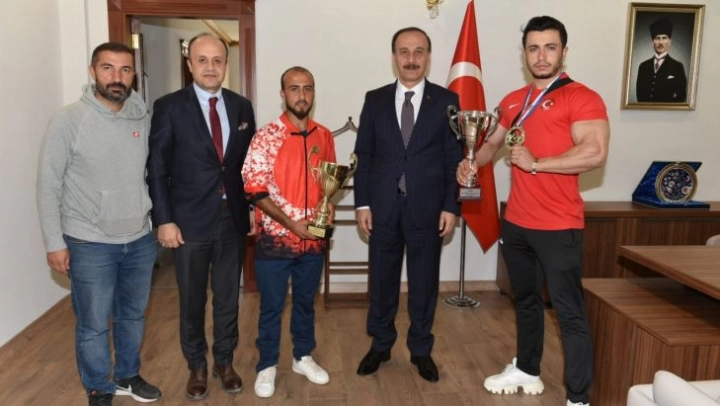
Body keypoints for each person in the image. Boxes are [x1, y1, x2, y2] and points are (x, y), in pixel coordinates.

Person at [458, 16, 609, 406]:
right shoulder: (514, 100)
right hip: (517, 223)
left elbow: (594, 152)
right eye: (533, 48)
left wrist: (537, 163)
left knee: (568, 312)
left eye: (550, 47)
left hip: (559, 226)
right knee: (525, 301)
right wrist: (472, 162)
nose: (541, 56)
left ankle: (578, 398)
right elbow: (492, 143)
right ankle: (527, 368)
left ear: (564, 52)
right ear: (524, 54)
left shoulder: (582, 97)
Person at [37, 42, 162, 406]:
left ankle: (127, 375)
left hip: (139, 239)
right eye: (108, 68)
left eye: (125, 69)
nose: (116, 77)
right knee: (93, 323)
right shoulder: (68, 120)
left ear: (133, 75)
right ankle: (97, 387)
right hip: (89, 241)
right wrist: (54, 242)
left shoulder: (141, 117)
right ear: (92, 72)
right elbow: (48, 183)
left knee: (133, 316)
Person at [146, 33, 256, 400]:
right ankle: (197, 365)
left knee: (228, 298)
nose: (211, 67)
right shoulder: (169, 107)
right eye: (202, 60)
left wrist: (252, 208)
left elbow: (249, 166)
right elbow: (157, 168)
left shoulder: (242, 107)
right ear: (190, 64)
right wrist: (164, 219)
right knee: (192, 300)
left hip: (232, 220)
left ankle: (224, 361)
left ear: (226, 64)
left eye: (217, 60)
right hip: (187, 222)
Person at [353, 27, 462, 383]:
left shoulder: (447, 101)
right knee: (382, 283)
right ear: (394, 57)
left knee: (424, 285)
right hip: (382, 207)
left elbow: (453, 158)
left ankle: (421, 349)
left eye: (418, 51)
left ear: (428, 57)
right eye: (404, 51)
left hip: (427, 209)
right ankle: (381, 345)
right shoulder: (375, 100)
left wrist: (451, 206)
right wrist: (362, 203)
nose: (411, 59)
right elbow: (364, 155)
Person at [242, 66, 333, 398]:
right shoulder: (266, 136)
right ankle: (267, 364)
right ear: (283, 94)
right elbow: (254, 189)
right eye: (294, 88)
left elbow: (328, 184)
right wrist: (290, 223)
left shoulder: (324, 136)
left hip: (313, 243)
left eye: (308, 88)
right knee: (272, 307)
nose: (302, 95)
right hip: (275, 242)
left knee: (306, 303)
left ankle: (302, 356)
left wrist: (328, 207)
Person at [636, 17, 687, 102]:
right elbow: (639, 95)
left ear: (669, 42)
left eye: (664, 38)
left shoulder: (677, 67)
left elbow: (681, 96)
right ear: (652, 42)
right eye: (657, 38)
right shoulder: (643, 66)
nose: (660, 42)